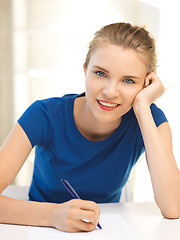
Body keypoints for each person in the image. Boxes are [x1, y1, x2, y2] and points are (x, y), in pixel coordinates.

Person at [0, 22, 180, 232]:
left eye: (129, 81)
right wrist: (53, 215)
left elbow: (173, 206)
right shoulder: (43, 115)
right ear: (85, 70)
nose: (110, 92)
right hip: (39, 229)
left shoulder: (150, 119)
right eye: (101, 73)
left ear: (145, 86)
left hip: (106, 230)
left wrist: (142, 108)